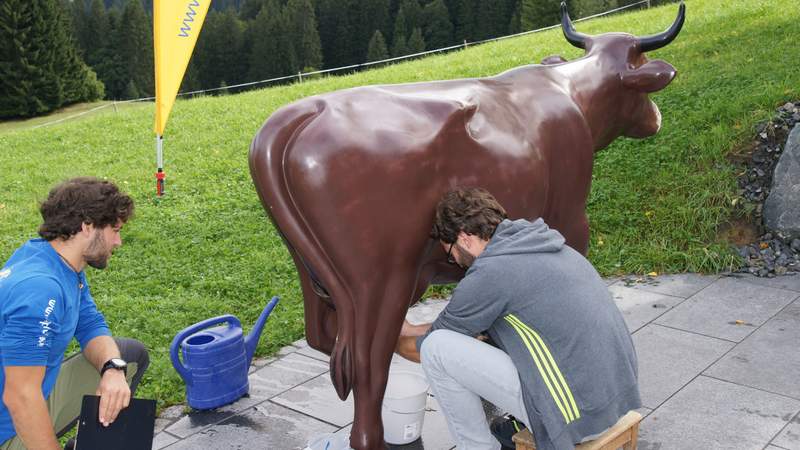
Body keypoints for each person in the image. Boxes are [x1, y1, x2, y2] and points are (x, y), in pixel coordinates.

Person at [395, 187, 640, 450]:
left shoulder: (491, 273)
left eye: (450, 253)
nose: (455, 261)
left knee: (436, 349)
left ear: (465, 239)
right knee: (482, 337)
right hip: (617, 396)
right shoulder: (541, 243)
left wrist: (391, 338)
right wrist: (412, 327)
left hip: (578, 418)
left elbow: (429, 346)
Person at [0, 177, 149, 450]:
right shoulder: (40, 289)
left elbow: (90, 323)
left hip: (34, 392)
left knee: (128, 355)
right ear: (87, 226)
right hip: (7, 424)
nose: (118, 242)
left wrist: (113, 369)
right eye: (114, 230)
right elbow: (19, 396)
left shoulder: (62, 263)